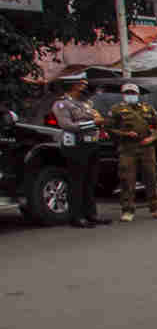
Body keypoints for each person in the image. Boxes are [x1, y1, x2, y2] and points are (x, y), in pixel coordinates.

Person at [103, 82, 157, 222]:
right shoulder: (116, 109)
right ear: (123, 94)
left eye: (133, 93)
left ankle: (156, 208)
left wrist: (152, 138)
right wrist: (124, 134)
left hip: (147, 148)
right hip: (127, 148)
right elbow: (108, 128)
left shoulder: (147, 108)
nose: (130, 95)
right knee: (127, 179)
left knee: (151, 178)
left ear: (138, 94)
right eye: (128, 93)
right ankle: (127, 209)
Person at [53, 74, 106, 227]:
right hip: (76, 146)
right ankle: (76, 216)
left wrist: (99, 124)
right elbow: (67, 125)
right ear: (73, 85)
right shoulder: (62, 104)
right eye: (81, 83)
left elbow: (94, 119)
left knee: (90, 181)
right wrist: (93, 123)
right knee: (77, 182)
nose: (84, 86)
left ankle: (91, 214)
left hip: (92, 144)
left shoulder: (85, 103)